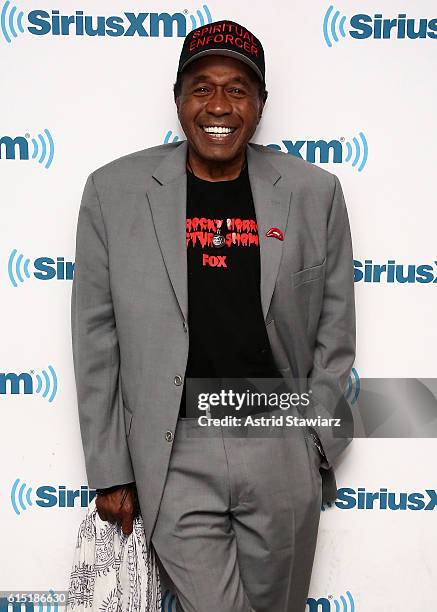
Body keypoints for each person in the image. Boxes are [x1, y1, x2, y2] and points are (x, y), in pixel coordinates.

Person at [71, 19, 356, 612]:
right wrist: (111, 469)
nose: (218, 105)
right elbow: (96, 339)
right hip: (174, 450)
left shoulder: (314, 192)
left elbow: (335, 325)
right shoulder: (113, 191)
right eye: (201, 88)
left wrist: (317, 442)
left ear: (260, 104)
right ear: (178, 100)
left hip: (279, 439)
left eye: (237, 89)